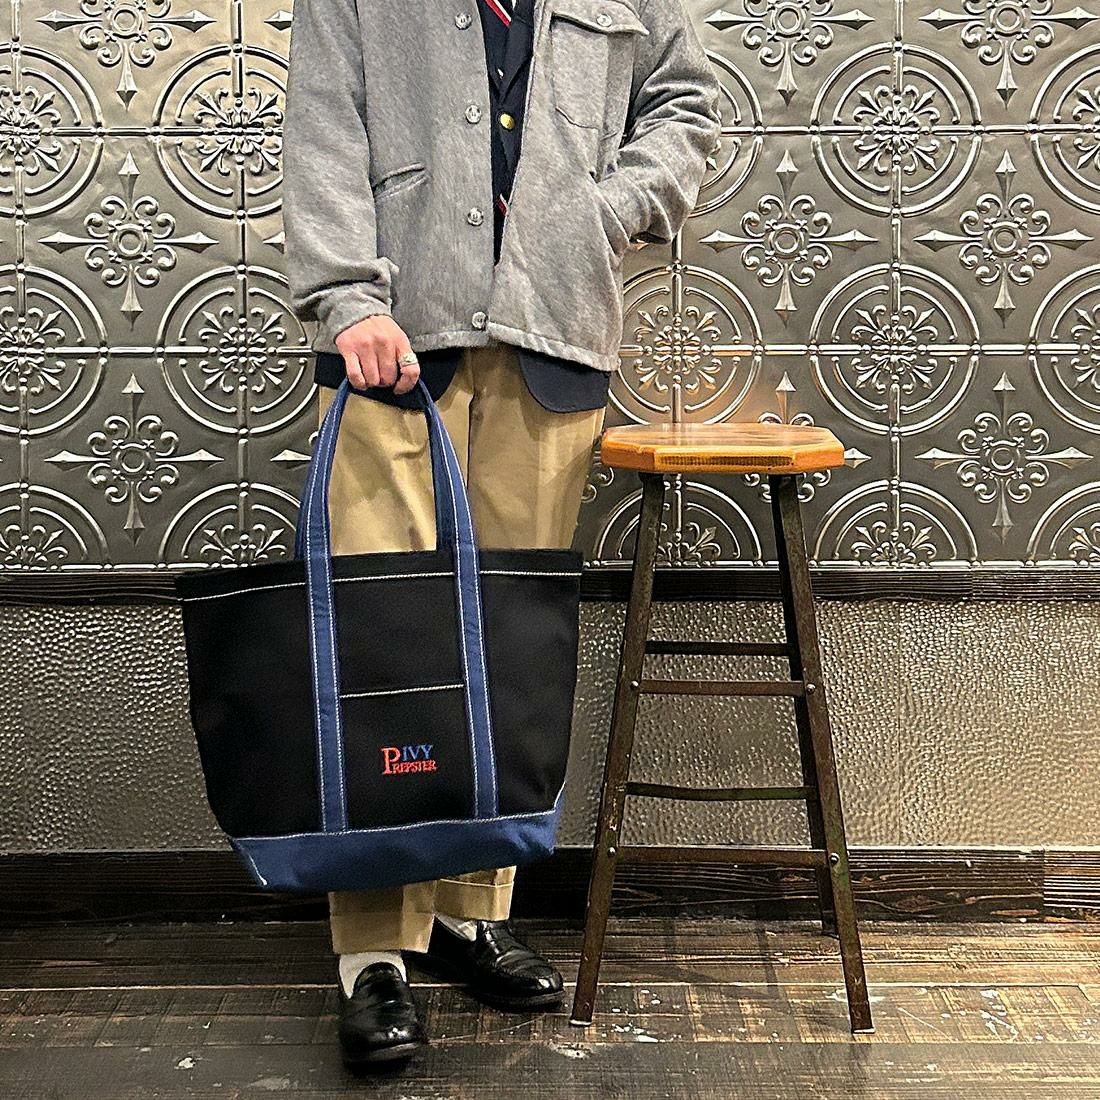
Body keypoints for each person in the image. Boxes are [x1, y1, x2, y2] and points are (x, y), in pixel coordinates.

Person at [282, 0, 721, 1070]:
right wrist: (345, 298)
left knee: (509, 647)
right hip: (392, 349)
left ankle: (468, 913)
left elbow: (688, 104)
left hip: (552, 338)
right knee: (387, 647)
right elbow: (322, 123)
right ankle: (374, 953)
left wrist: (603, 209)